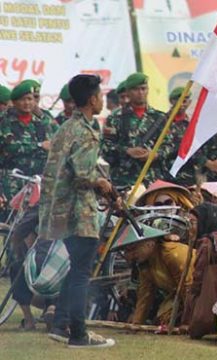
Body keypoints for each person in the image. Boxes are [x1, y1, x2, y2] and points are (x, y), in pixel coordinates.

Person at [39, 74, 116, 348]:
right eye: (100, 95)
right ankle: (79, 334)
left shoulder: (66, 127)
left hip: (59, 210)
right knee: (82, 271)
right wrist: (102, 182)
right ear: (92, 99)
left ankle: (61, 324)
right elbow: (83, 175)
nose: (102, 100)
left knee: (76, 269)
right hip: (78, 211)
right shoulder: (85, 131)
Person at [112, 221, 195, 327]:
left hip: (200, 293)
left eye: (133, 249)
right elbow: (145, 296)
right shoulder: (146, 265)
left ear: (150, 243)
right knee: (162, 319)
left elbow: (188, 288)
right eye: (127, 251)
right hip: (181, 296)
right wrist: (137, 324)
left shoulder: (171, 254)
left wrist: (188, 322)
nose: (130, 255)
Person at [102, 72, 168, 187]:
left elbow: (171, 145)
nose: (140, 93)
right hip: (123, 181)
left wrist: (155, 154)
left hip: (152, 181)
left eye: (143, 89)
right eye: (136, 89)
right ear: (128, 92)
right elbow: (105, 147)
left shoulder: (160, 118)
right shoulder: (115, 118)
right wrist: (127, 151)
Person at [0, 80, 57, 205]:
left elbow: (54, 140)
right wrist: (39, 145)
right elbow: (11, 146)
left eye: (30, 99)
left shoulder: (41, 121)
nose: (27, 103)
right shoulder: (5, 121)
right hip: (12, 179)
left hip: (36, 180)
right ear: (14, 102)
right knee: (10, 217)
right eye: (23, 99)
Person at [181, 202, 217, 339]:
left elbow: (198, 277)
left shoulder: (205, 244)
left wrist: (192, 294)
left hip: (208, 291)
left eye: (193, 222)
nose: (190, 227)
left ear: (204, 222)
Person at [161, 87, 198, 186]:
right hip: (165, 172)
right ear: (171, 101)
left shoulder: (192, 124)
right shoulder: (161, 121)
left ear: (189, 102)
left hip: (187, 174)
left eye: (185, 100)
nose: (182, 104)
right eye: (178, 100)